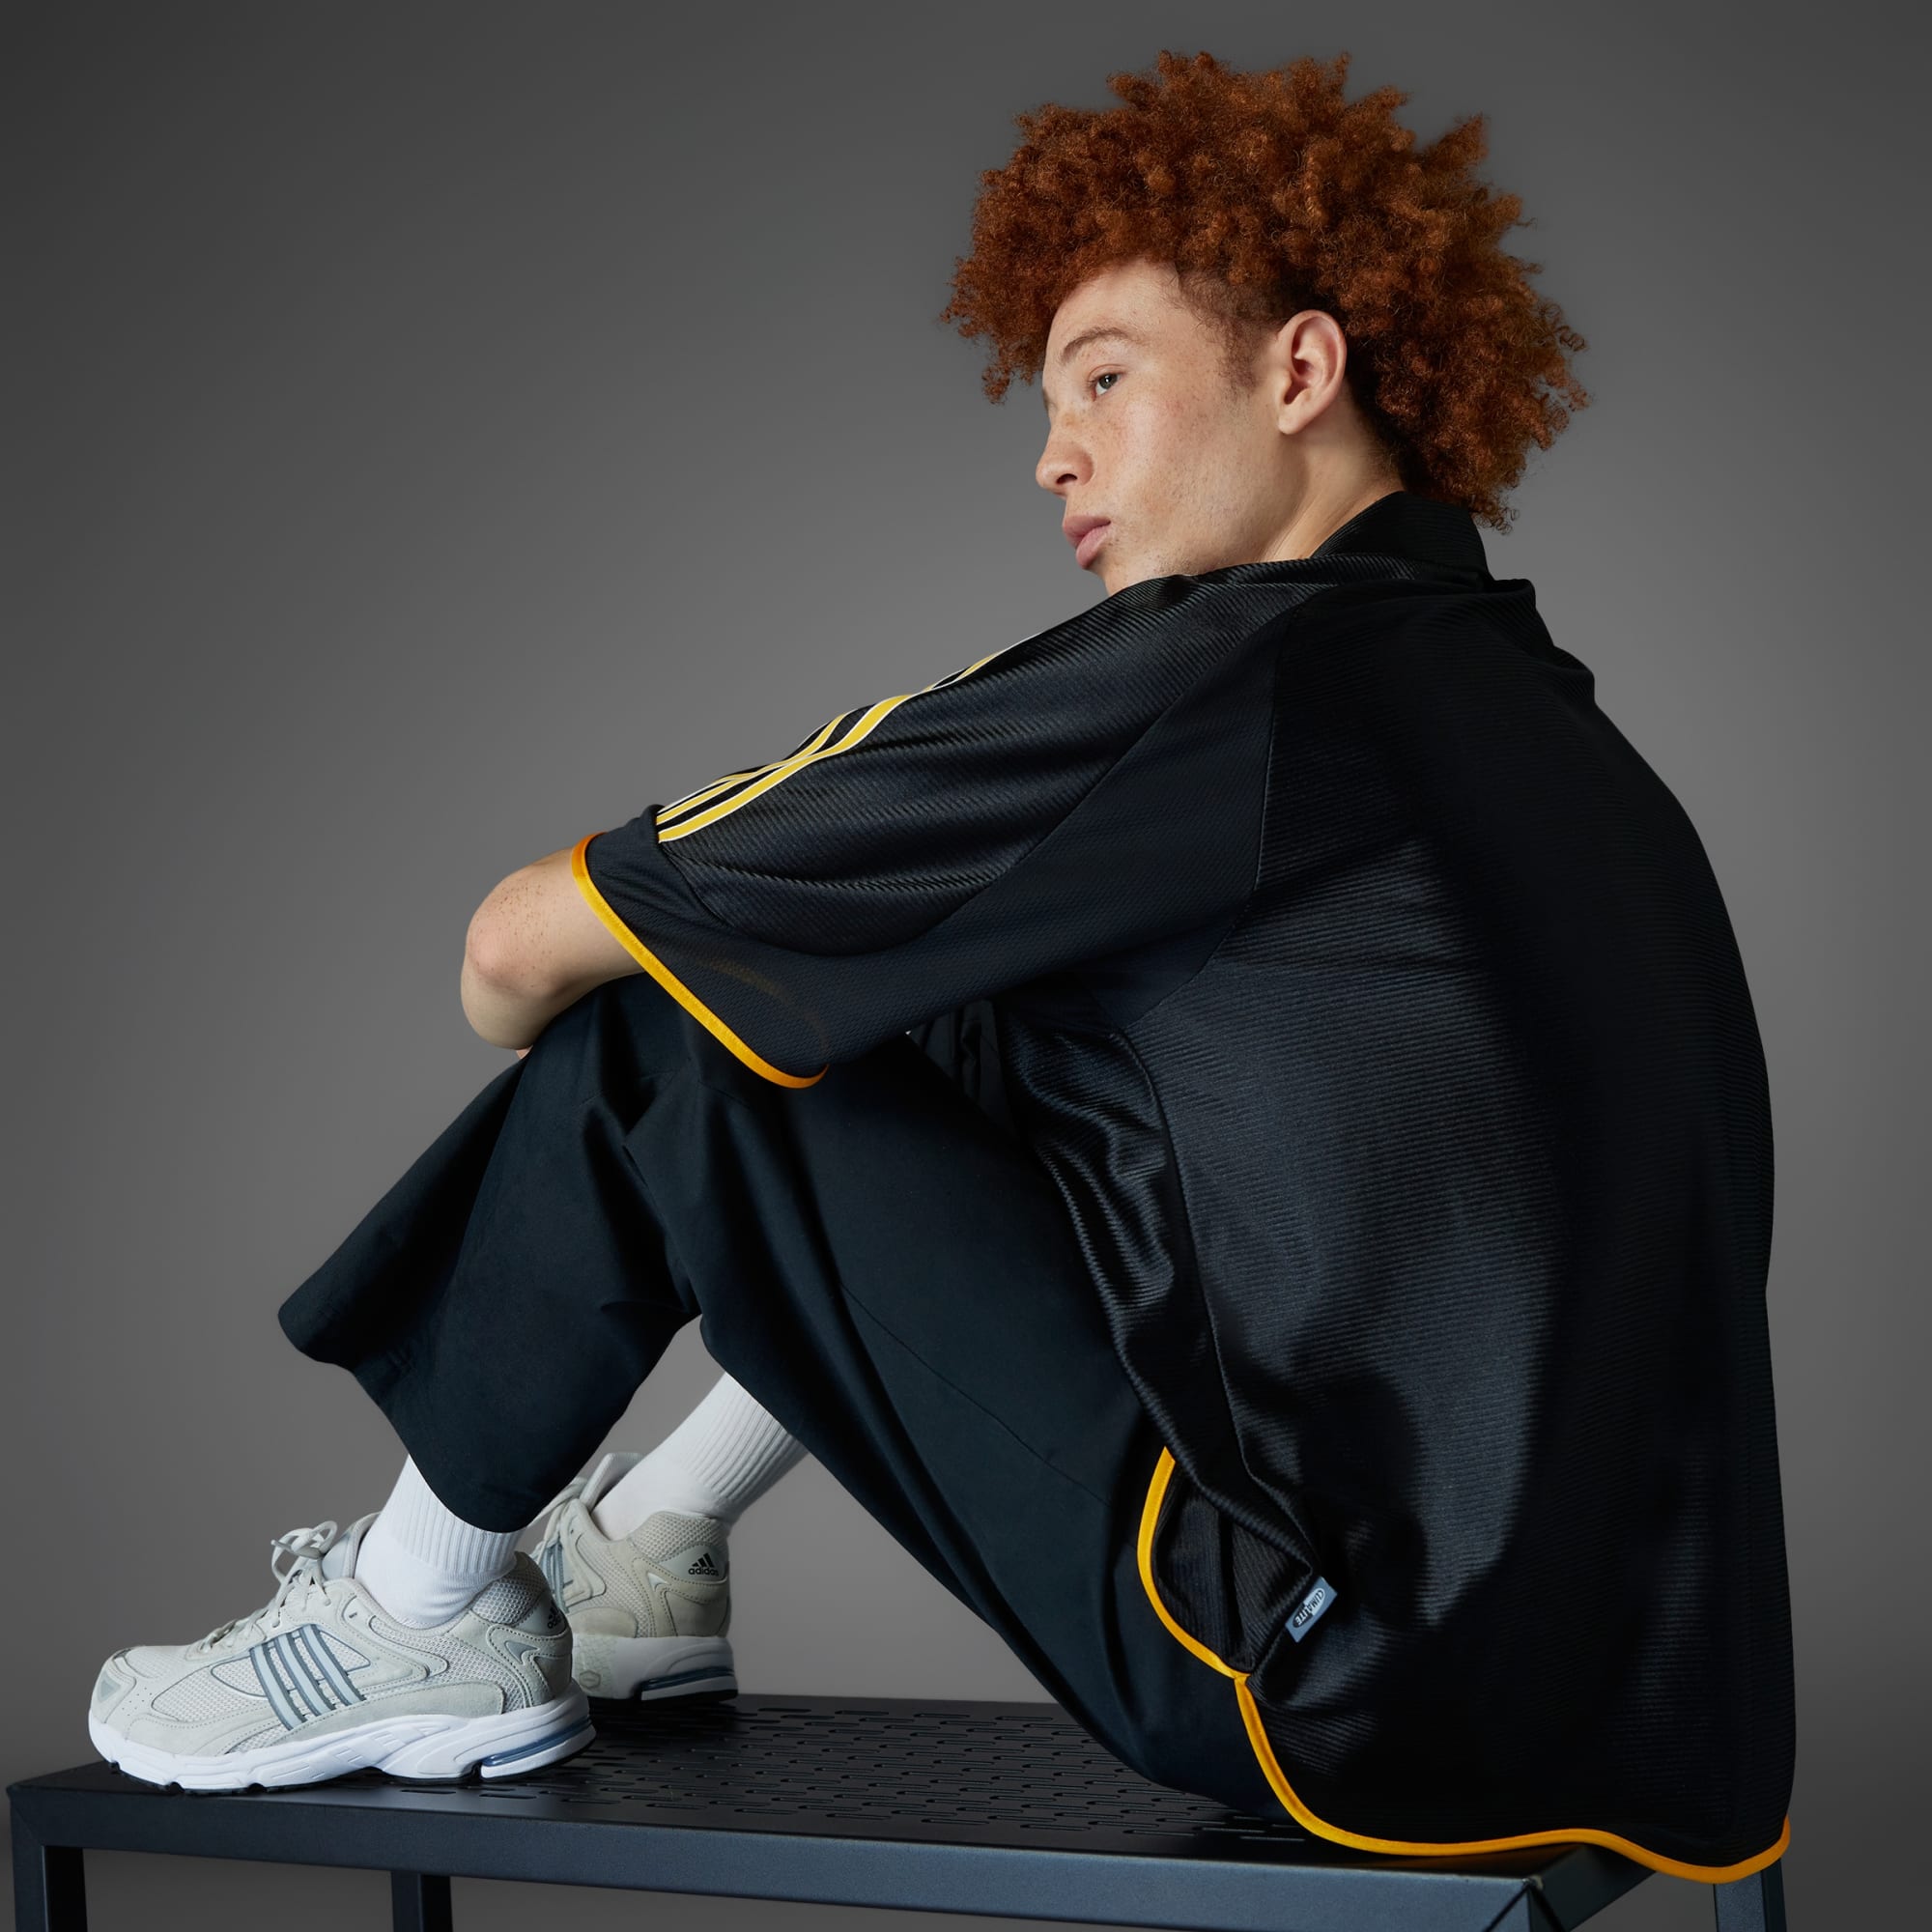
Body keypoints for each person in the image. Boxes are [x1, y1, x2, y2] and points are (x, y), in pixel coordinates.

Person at [85, 48, 1794, 1882]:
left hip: (1329, 1682)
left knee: (672, 1034)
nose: (1055, 454)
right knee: (981, 1020)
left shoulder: (1222, 675)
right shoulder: (1553, 731)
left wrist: (574, 1017)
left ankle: (415, 1611)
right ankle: (654, 1545)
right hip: (1631, 1709)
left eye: (1105, 378)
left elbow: (516, 946)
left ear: (1301, 372)